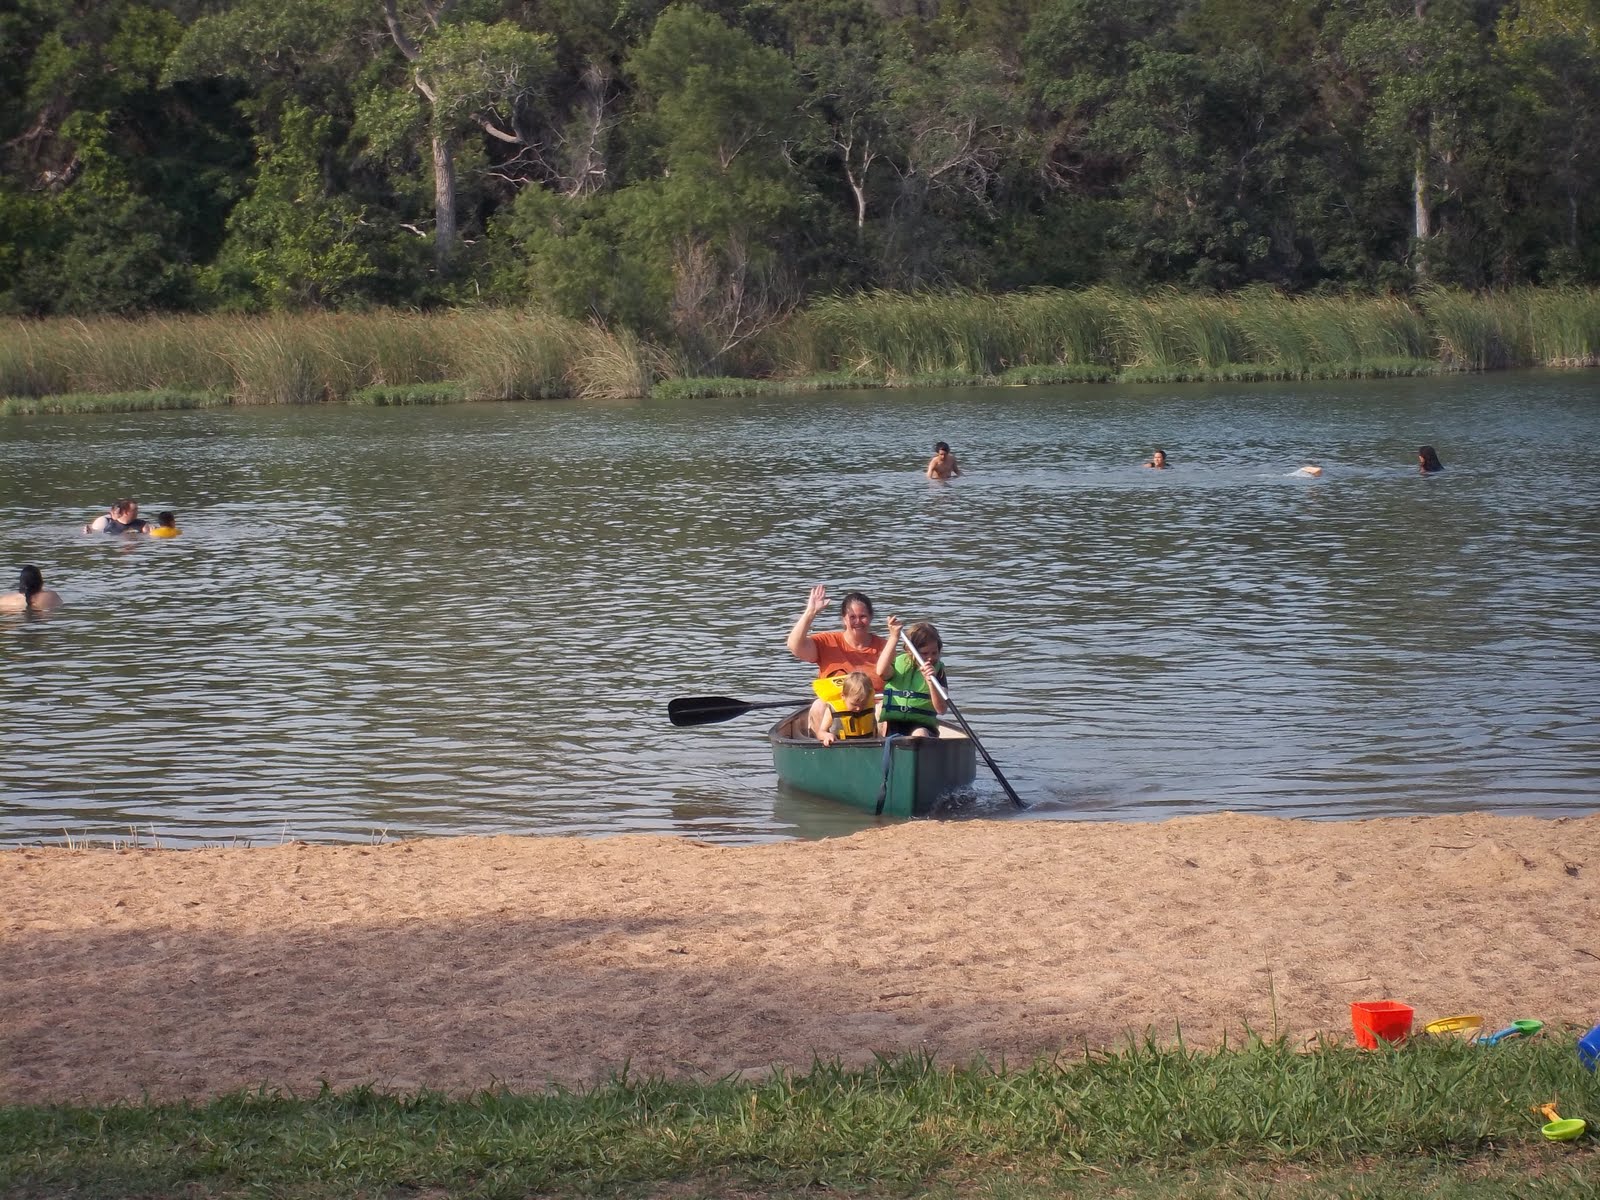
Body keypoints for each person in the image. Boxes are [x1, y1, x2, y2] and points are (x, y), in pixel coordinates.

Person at [787, 585, 888, 742]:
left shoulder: (884, 646)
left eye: (863, 616)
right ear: (844, 619)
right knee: (819, 705)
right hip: (834, 718)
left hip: (870, 714)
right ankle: (824, 747)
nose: (858, 621)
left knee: (884, 707)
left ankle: (878, 747)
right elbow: (794, 646)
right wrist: (810, 612)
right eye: (852, 617)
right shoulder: (828, 642)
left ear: (871, 617)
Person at [874, 616, 949, 738]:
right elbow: (881, 671)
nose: (930, 658)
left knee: (919, 734)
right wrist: (894, 637)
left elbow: (941, 709)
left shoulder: (938, 671)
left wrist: (931, 683)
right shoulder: (899, 664)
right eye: (924, 653)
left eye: (934, 653)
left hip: (923, 727)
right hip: (894, 726)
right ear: (911, 650)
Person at [809, 671, 878, 747]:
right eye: (854, 704)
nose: (859, 708)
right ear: (843, 696)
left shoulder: (870, 706)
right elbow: (821, 732)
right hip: (841, 748)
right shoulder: (832, 710)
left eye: (863, 704)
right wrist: (826, 736)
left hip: (867, 746)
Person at [83, 500, 149, 534]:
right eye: (135, 510)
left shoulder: (142, 524)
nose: (138, 512)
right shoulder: (109, 527)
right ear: (125, 512)